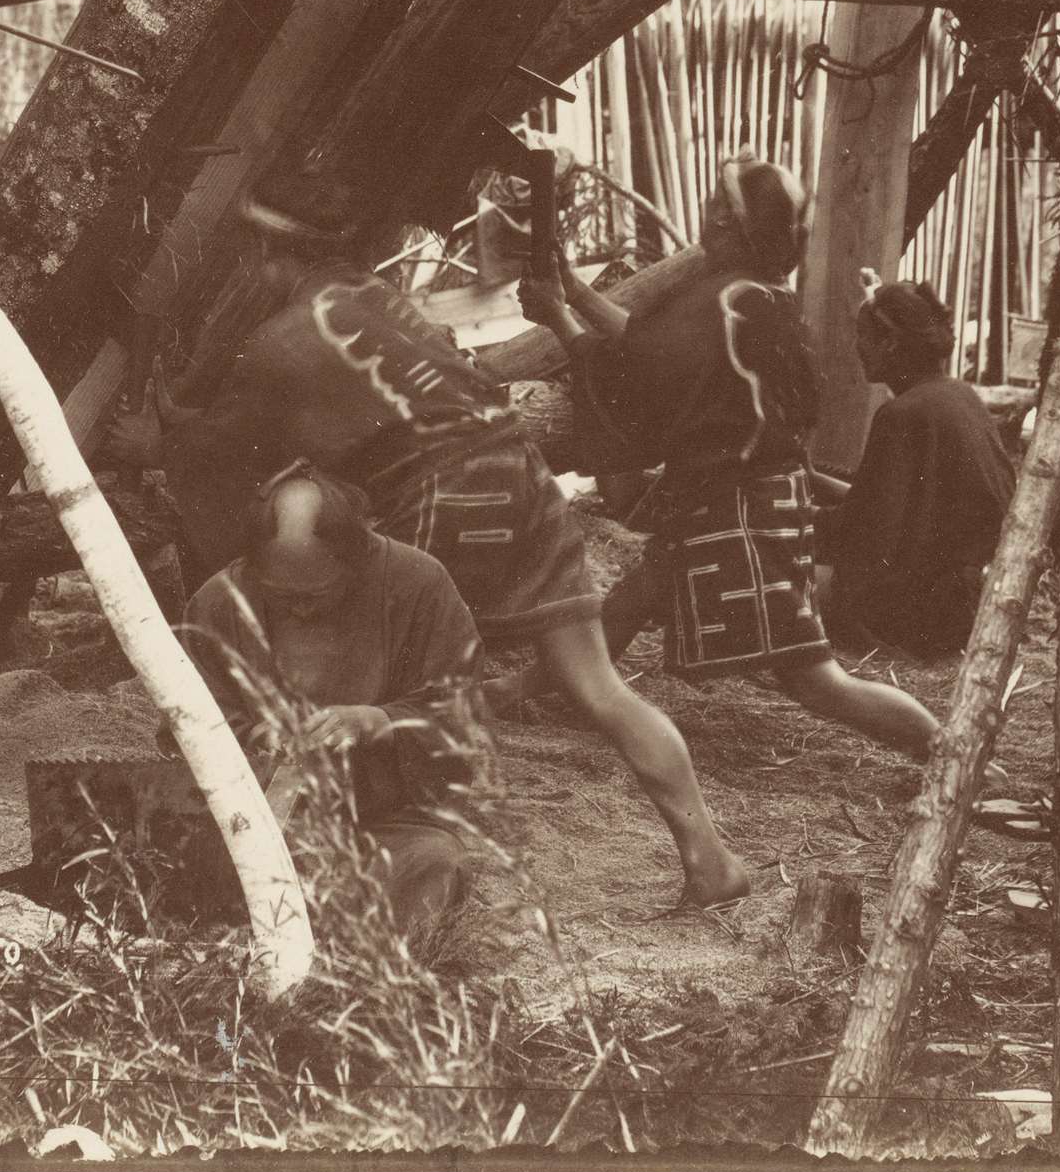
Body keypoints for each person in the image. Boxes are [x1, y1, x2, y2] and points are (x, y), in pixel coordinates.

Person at [155, 165, 755, 907]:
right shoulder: (383, 298)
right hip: (522, 475)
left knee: (365, 681)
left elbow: (222, 451)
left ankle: (348, 850)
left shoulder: (281, 341)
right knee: (601, 688)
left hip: (443, 498)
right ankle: (711, 859)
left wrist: (156, 437)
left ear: (270, 253)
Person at [533, 158, 944, 760]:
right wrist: (573, 293)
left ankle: (947, 748)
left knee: (814, 680)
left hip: (737, 508)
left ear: (727, 222)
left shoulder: (723, 300)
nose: (705, 214)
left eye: (713, 206)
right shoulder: (760, 297)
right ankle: (543, 689)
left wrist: (557, 318)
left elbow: (638, 370)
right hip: (752, 500)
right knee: (640, 592)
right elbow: (651, 347)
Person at [179, 471, 484, 941]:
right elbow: (187, 723)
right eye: (282, 598)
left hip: (386, 820)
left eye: (317, 596)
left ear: (356, 558)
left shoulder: (418, 584)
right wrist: (258, 737)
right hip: (260, 822)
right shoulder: (220, 602)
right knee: (189, 860)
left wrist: (379, 722)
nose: (301, 611)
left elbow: (460, 706)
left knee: (433, 864)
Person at [823, 280, 1010, 660]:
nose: (857, 347)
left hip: (926, 613)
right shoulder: (960, 395)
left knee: (790, 582)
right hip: (973, 603)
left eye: (863, 336)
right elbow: (886, 504)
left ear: (890, 344)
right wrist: (812, 479)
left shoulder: (901, 414)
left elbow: (865, 530)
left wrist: (792, 520)